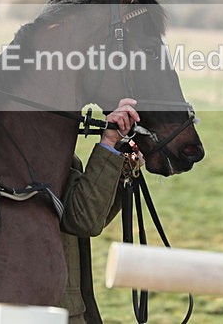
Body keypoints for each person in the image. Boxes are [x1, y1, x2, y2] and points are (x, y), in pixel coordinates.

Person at [60, 98, 140, 324]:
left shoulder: (62, 161)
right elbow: (84, 219)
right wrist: (108, 143)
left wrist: (121, 166)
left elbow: (90, 215)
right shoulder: (42, 162)